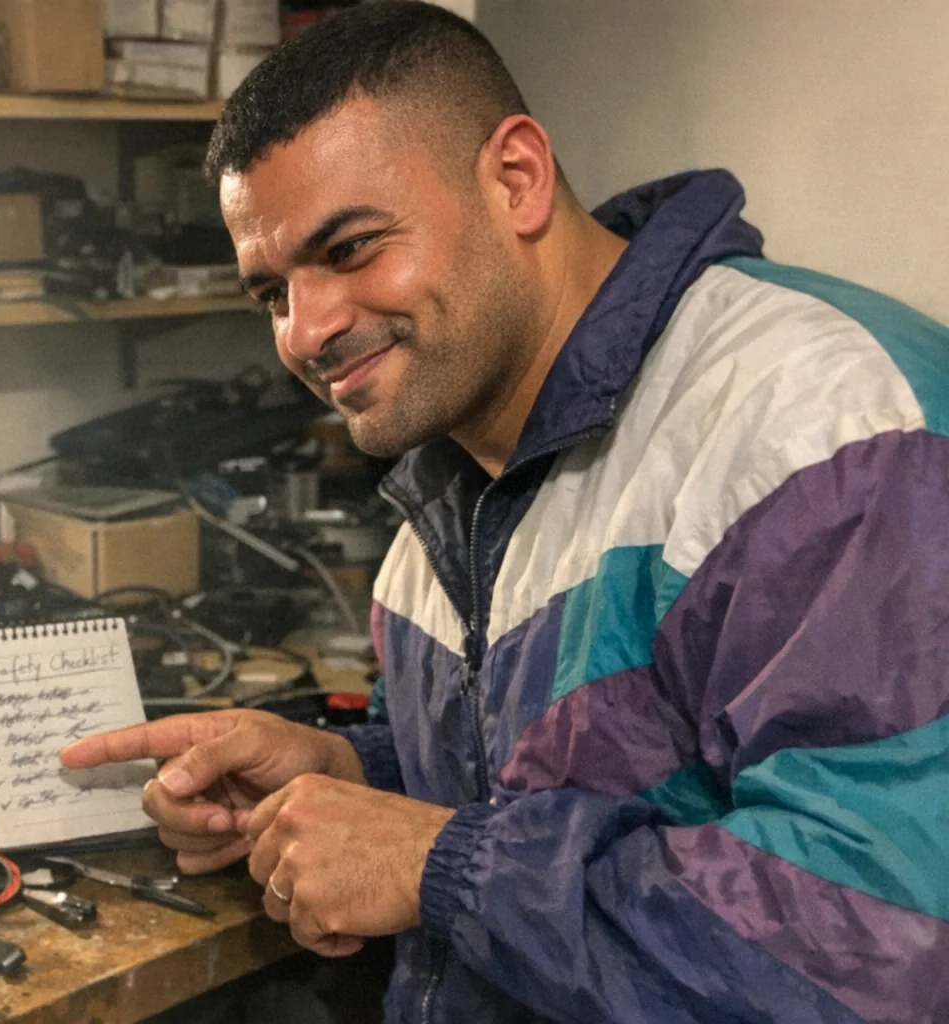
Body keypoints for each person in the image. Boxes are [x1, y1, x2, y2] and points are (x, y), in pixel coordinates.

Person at [61, 3, 949, 1022]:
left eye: (349, 247)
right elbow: (536, 779)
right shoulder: (441, 497)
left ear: (516, 179)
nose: (306, 333)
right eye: (271, 293)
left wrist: (439, 865)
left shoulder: (823, 431)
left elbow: (873, 947)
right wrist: (350, 767)